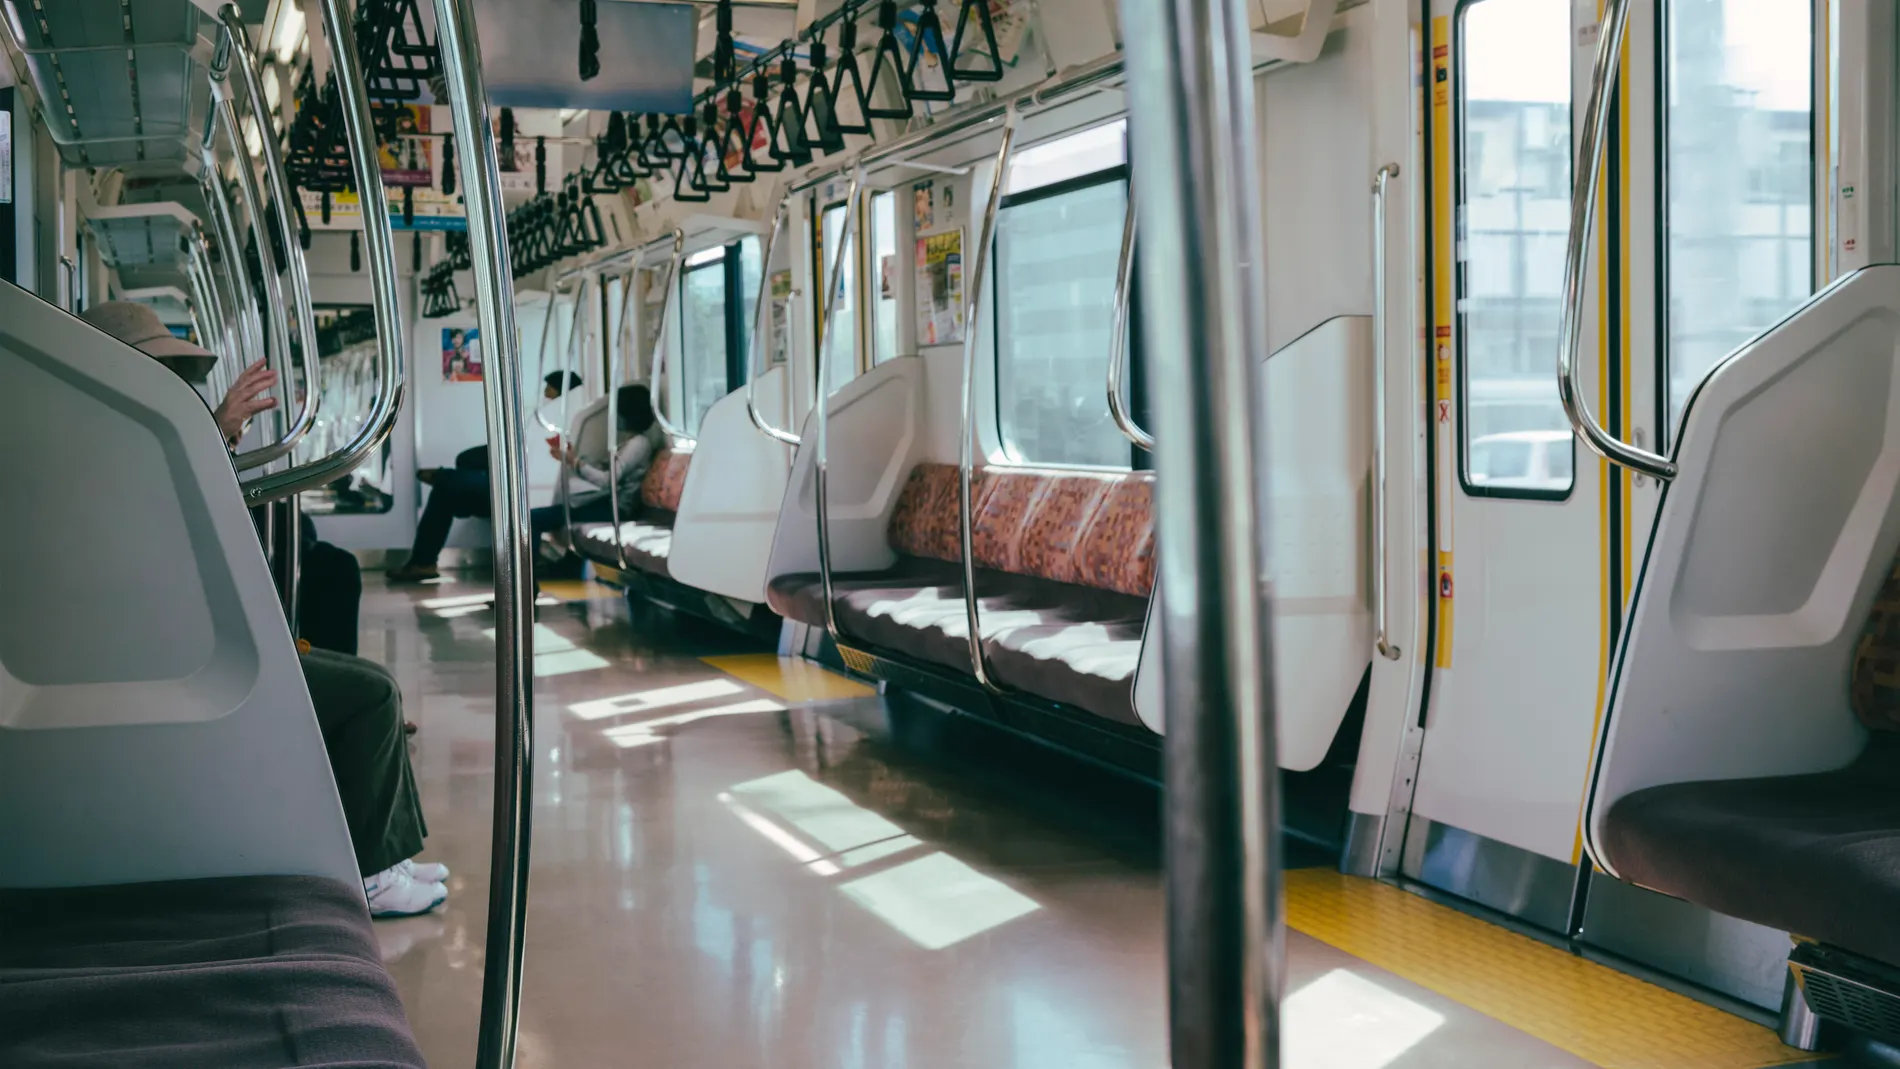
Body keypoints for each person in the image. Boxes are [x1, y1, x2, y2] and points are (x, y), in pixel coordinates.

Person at [80, 300, 449, 917]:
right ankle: (373, 873)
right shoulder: (113, 449)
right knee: (372, 695)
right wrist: (217, 429)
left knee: (372, 678)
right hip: (174, 655)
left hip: (179, 637)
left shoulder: (118, 440)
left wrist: (219, 433)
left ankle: (389, 855)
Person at [530, 383, 663, 543]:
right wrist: (573, 459)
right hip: (606, 503)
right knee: (541, 516)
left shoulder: (639, 444)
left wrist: (574, 461)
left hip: (617, 509)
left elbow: (608, 481)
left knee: (533, 519)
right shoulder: (630, 442)